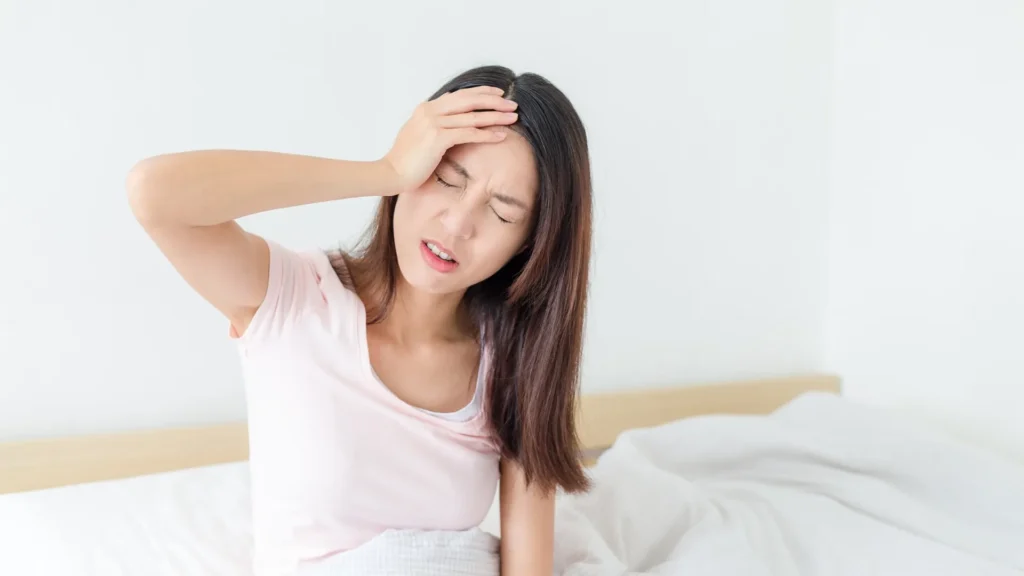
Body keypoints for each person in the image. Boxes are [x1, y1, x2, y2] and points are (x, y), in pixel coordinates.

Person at [126, 64, 592, 575]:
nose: (458, 224)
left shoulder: (514, 362)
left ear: (532, 244)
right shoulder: (293, 300)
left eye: (502, 213)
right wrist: (385, 171)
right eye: (446, 179)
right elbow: (155, 193)